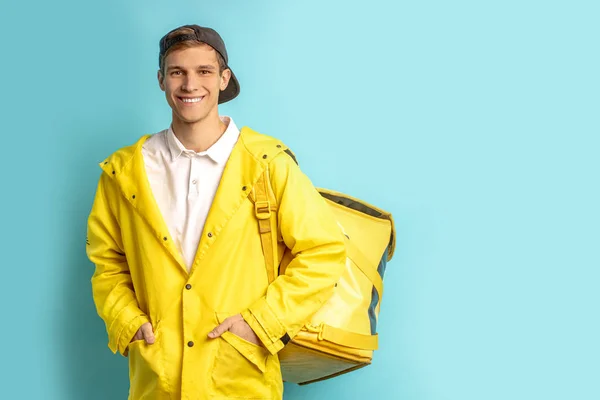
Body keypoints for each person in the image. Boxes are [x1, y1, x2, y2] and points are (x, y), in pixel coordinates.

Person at [86, 24, 346, 400]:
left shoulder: (267, 164)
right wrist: (128, 322)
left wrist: (262, 323)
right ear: (161, 80)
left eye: (204, 71)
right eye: (177, 72)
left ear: (224, 79)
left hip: (240, 379)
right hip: (156, 380)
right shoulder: (124, 171)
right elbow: (107, 263)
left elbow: (324, 251)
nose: (190, 84)